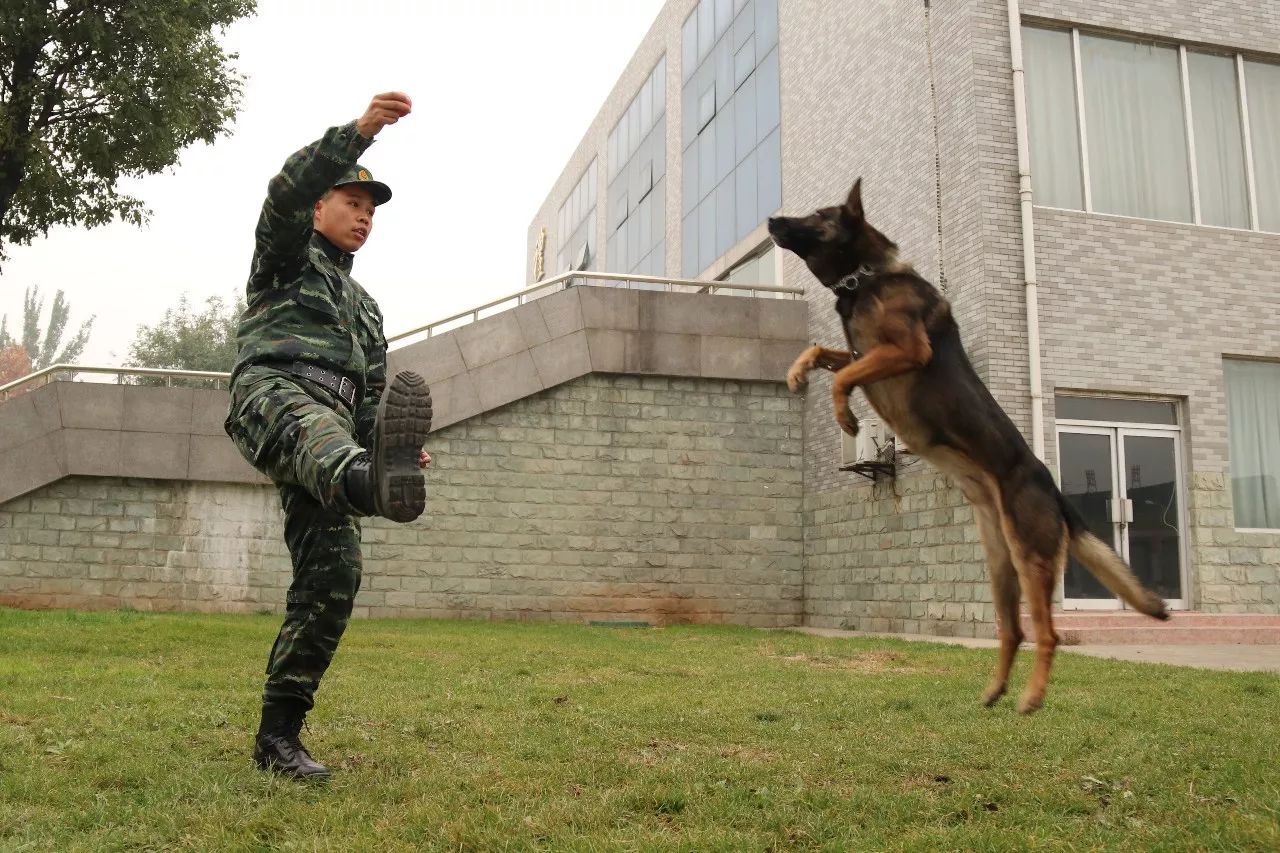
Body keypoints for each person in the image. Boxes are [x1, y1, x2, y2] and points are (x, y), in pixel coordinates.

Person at [223, 92, 433, 781]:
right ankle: (367, 481)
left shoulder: (366, 311)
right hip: (275, 397)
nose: (364, 215)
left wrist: (390, 452)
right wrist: (361, 132)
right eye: (352, 202)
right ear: (320, 205)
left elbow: (371, 403)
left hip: (335, 443)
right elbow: (285, 188)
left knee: (335, 573)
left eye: (372, 210)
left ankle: (277, 736)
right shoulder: (285, 256)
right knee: (323, 436)